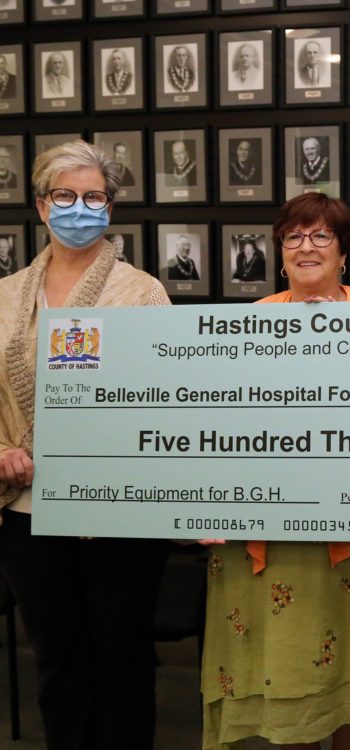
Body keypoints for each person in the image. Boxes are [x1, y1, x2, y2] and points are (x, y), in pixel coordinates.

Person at [201, 193, 350, 750]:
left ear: (344, 251)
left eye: (321, 235)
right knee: (292, 660)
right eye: (294, 237)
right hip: (281, 531)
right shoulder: (255, 321)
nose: (307, 247)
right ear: (279, 252)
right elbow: (228, 422)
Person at [0, 140, 170, 750]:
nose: (80, 208)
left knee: (121, 657)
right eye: (65, 196)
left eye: (94, 196)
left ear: (111, 207)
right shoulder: (6, 294)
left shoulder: (142, 293)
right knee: (57, 657)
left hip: (117, 509)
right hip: (27, 509)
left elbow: (167, 395)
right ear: (42, 207)